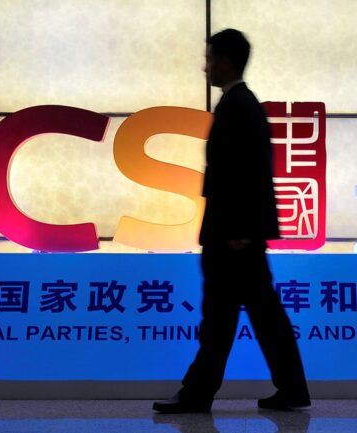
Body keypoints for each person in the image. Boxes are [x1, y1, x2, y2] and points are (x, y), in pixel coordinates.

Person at [152, 28, 311, 413]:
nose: (205, 66)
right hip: (239, 233)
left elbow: (245, 172)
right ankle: (288, 389)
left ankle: (198, 393)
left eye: (209, 58)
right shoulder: (243, 104)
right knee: (255, 317)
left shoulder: (237, 106)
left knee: (223, 319)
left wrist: (239, 229)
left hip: (232, 235)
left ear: (225, 61)